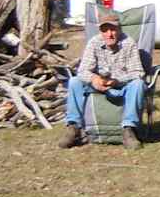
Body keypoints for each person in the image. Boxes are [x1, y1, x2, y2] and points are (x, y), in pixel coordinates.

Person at [59, 11, 147, 150]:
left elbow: (138, 72)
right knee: (75, 81)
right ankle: (73, 127)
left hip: (121, 86)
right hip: (98, 85)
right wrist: (94, 79)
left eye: (113, 29)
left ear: (119, 29)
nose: (109, 34)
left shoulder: (129, 43)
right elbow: (83, 71)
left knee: (138, 84)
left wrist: (116, 81)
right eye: (105, 30)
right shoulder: (94, 42)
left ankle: (129, 129)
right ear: (100, 30)